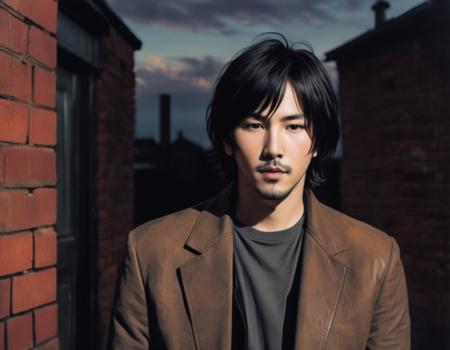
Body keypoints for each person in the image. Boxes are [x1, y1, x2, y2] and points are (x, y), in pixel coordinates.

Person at [108, 34, 410, 349]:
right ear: (227, 140)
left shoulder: (376, 259)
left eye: (293, 127)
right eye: (255, 125)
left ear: (317, 141)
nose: (273, 149)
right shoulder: (150, 253)